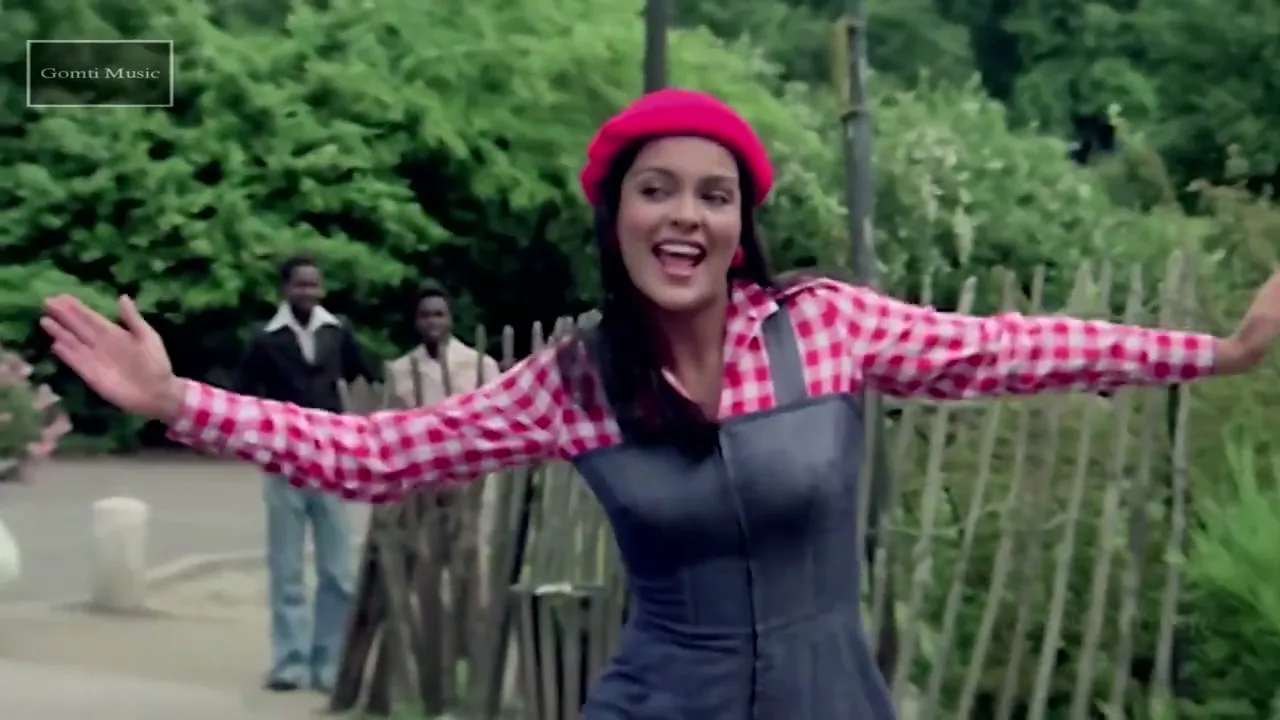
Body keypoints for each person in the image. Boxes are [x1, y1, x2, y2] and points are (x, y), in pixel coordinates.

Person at [38, 89, 1280, 718]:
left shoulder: (823, 328)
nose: (683, 214)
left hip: (829, 697)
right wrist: (177, 399)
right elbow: (377, 453)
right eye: (655, 189)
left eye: (712, 195)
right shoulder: (573, 380)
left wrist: (1216, 354)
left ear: (740, 226)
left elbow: (1014, 349)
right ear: (616, 214)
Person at [231, 253, 381, 693]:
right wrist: (261, 439)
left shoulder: (337, 331)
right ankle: (289, 662)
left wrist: (361, 432)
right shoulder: (266, 339)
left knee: (337, 569)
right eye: (300, 284)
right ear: (285, 288)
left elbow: (367, 376)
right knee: (287, 567)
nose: (308, 292)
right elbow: (242, 397)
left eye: (314, 285)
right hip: (283, 463)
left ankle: (328, 661)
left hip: (330, 460)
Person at [384, 284, 501, 618]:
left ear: (450, 319)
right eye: (425, 316)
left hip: (469, 477)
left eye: (439, 314)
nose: (432, 322)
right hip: (423, 479)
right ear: (416, 321)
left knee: (469, 554)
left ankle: (471, 627)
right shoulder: (400, 369)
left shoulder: (479, 365)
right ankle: (434, 628)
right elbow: (394, 426)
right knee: (427, 558)